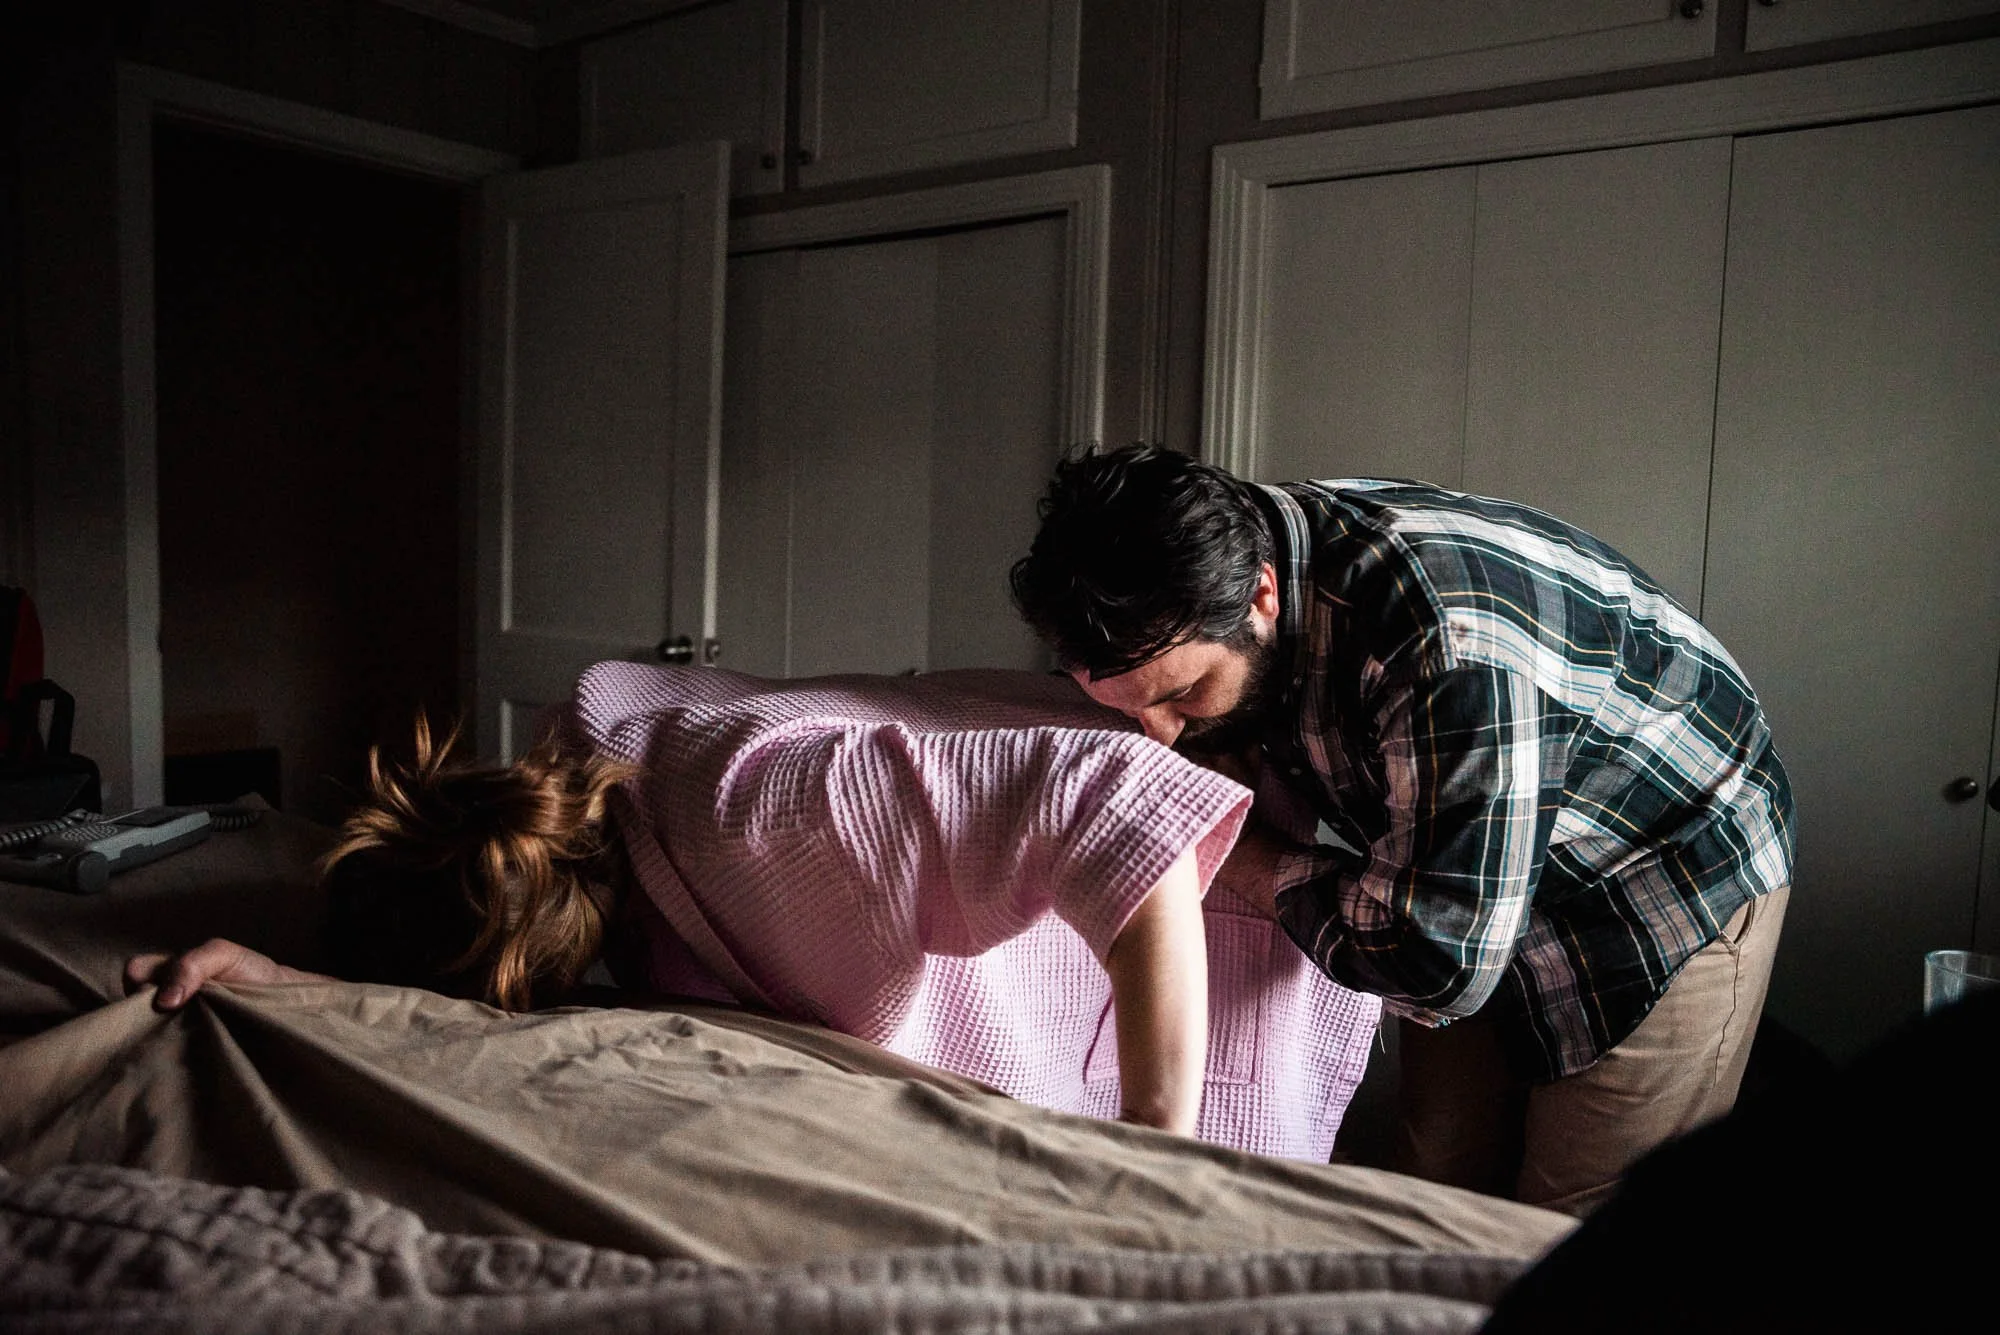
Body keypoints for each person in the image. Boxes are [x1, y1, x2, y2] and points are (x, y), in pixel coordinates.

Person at [127, 660, 1382, 1156]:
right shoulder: (585, 818)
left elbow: (1111, 803)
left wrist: (1148, 1135)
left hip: (1239, 926)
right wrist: (308, 986)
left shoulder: (763, 813)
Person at [1009, 444, 1796, 1214]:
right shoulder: (1203, 563)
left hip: (1661, 872)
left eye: (1184, 695)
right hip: (1461, 862)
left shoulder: (1444, 646)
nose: (1162, 739)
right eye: (1127, 709)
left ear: (1261, 595)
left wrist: (1232, 850)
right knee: (1428, 1189)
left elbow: (1435, 965)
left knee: (1577, 1235)